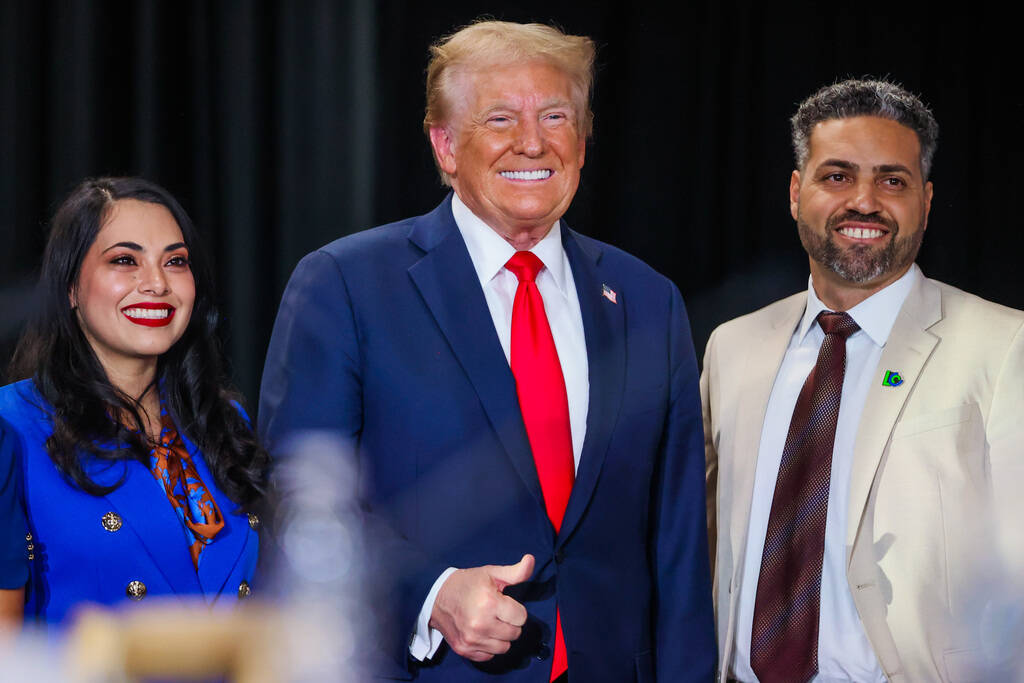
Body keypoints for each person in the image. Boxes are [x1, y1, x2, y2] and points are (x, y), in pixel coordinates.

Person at [260, 19, 715, 682]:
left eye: (556, 115)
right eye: (499, 118)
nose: (532, 141)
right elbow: (290, 502)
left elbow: (677, 546)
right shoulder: (347, 285)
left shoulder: (650, 300)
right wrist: (430, 592)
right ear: (445, 145)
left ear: (583, 142)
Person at [702, 79, 1024, 682]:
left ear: (925, 201)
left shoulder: (1006, 346)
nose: (865, 202)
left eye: (892, 181)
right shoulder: (731, 348)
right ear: (797, 193)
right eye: (838, 176)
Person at [0, 177, 268, 629]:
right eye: (125, 260)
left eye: (175, 261)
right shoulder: (12, 426)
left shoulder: (223, 422)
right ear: (69, 288)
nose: (157, 283)